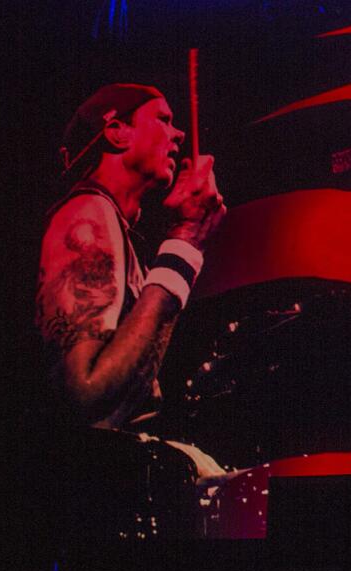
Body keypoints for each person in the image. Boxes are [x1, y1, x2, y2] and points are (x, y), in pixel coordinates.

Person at [37, 84, 227, 481]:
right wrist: (185, 243)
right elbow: (89, 402)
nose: (179, 135)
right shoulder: (89, 213)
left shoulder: (111, 225)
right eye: (163, 119)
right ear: (116, 131)